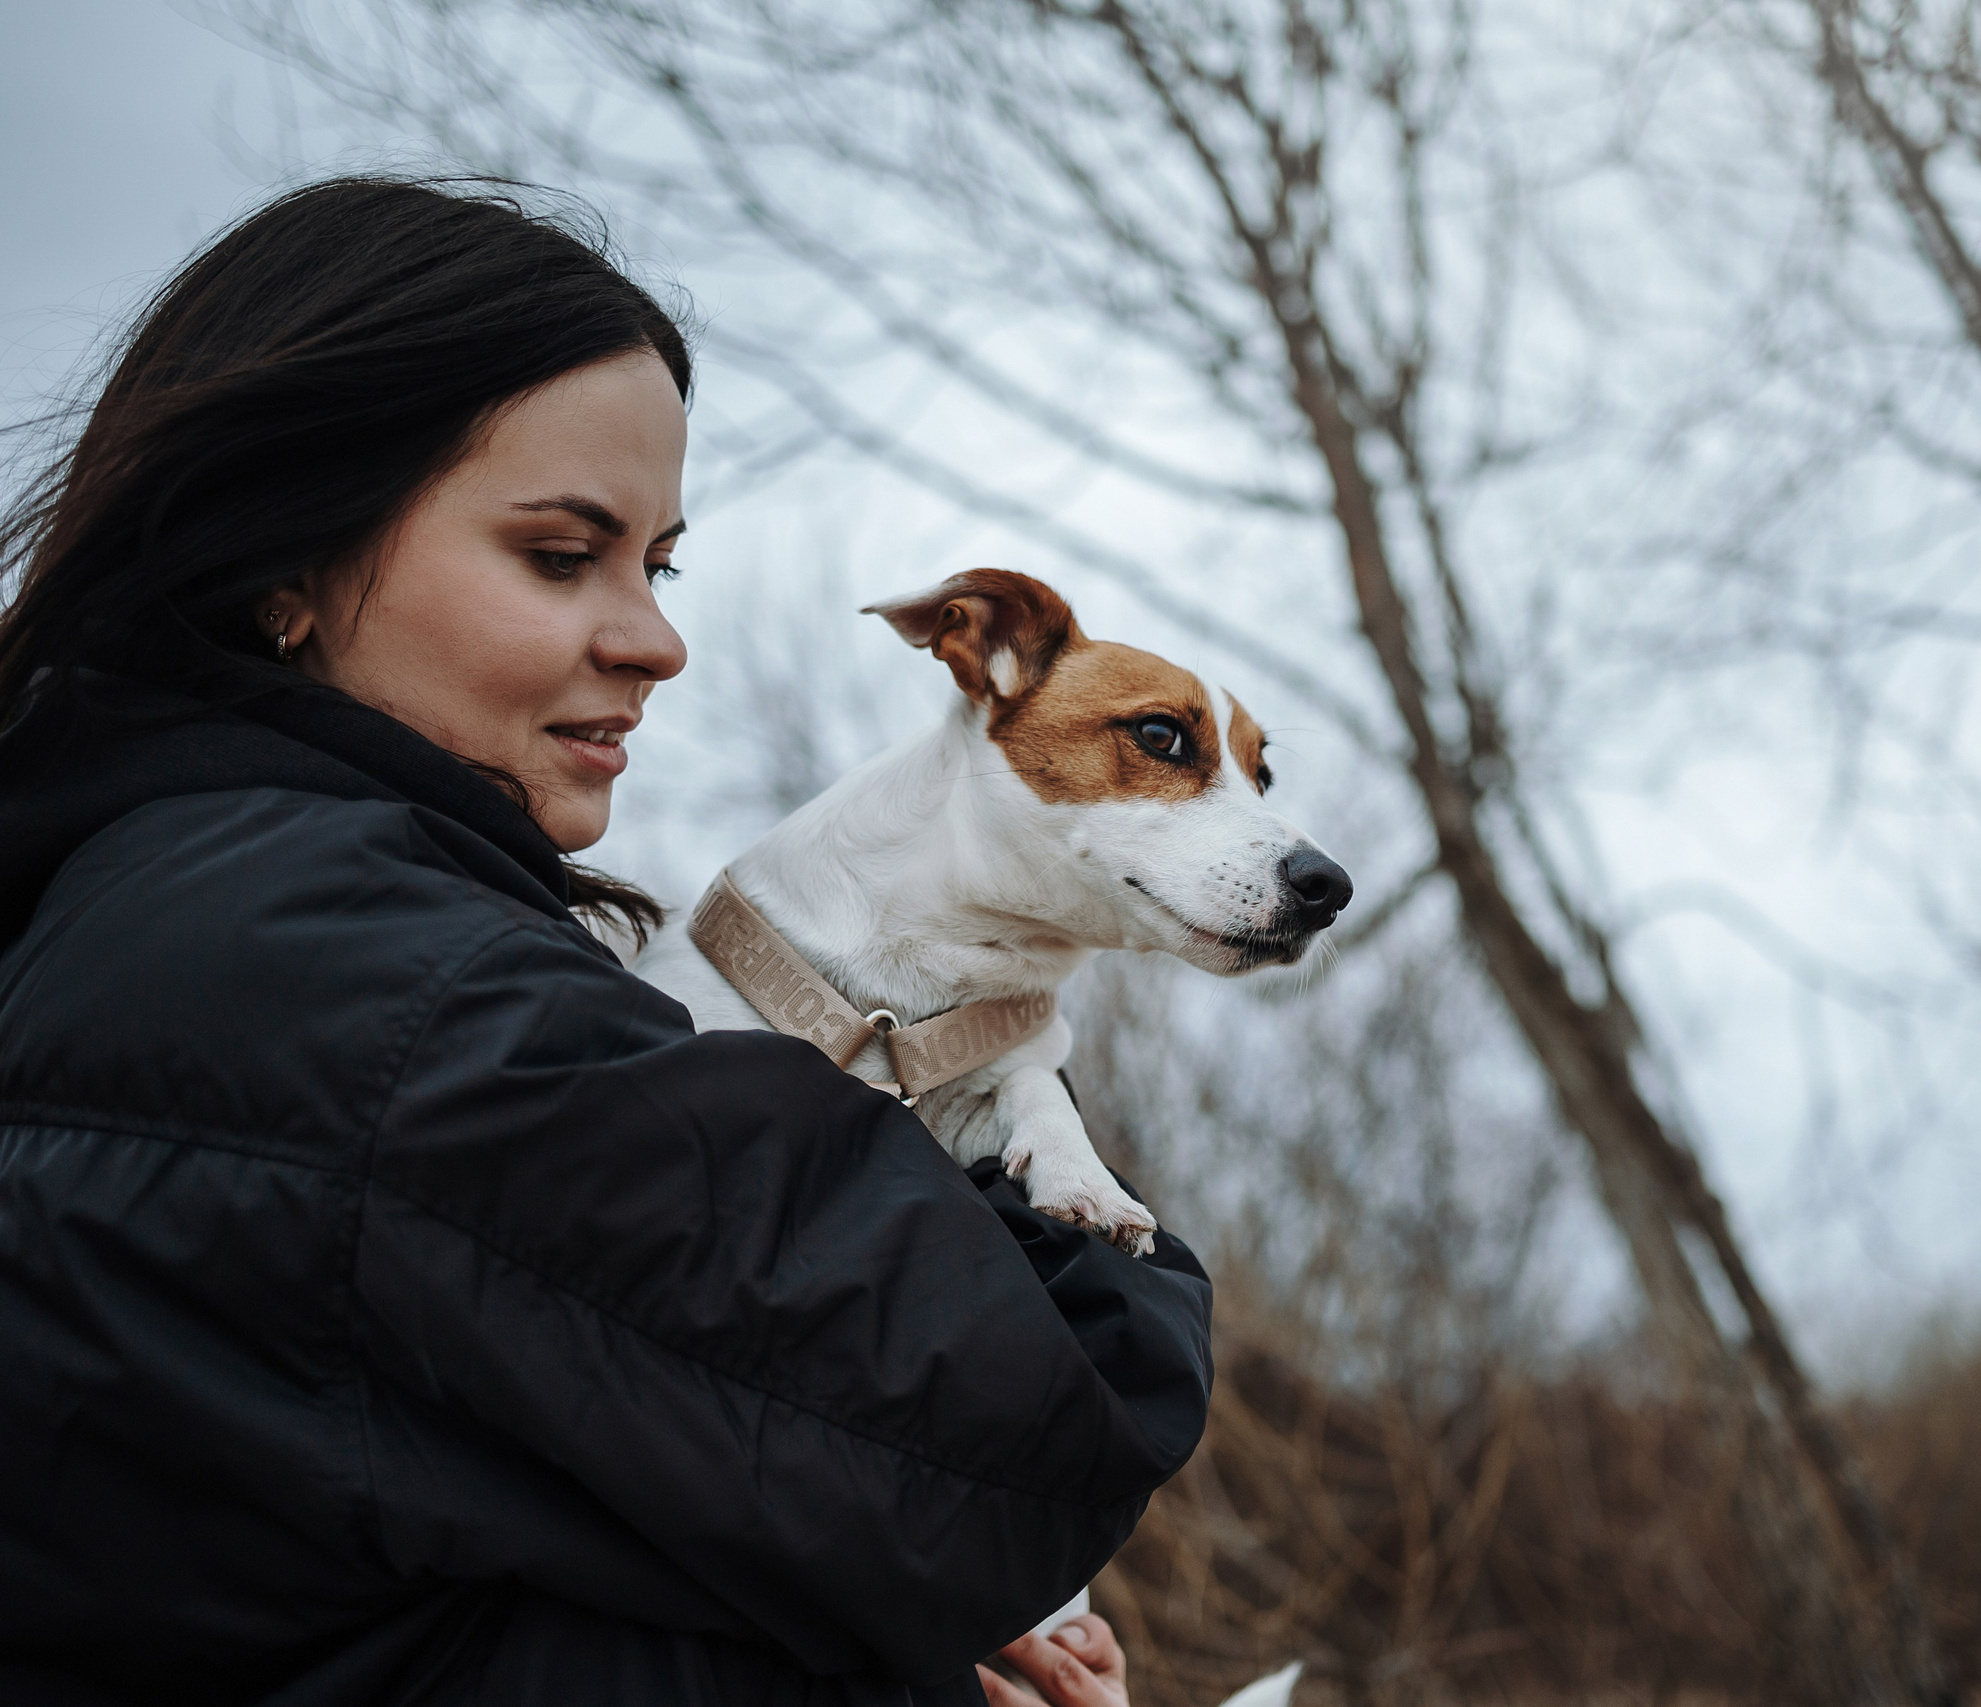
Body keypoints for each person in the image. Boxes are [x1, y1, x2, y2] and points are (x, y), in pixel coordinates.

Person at [0, 177, 1211, 1706]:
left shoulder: (118, 900)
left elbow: (435, 1559)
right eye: (562, 556)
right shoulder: (384, 997)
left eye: (662, 562)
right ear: (279, 569)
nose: (657, 640)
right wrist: (1075, 1193)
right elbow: (1037, 1431)